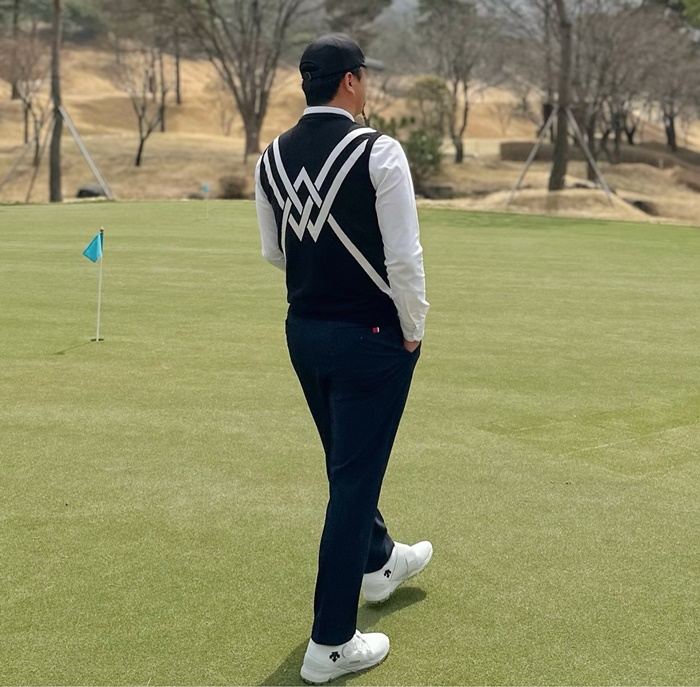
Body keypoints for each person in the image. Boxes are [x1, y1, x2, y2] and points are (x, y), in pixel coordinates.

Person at [255, 33, 432, 685]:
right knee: (353, 483)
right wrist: (413, 329)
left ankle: (379, 561)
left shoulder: (270, 156)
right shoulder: (378, 150)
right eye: (365, 77)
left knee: (347, 466)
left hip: (304, 331)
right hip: (371, 335)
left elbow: (274, 252)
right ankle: (330, 642)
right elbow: (404, 257)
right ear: (351, 81)